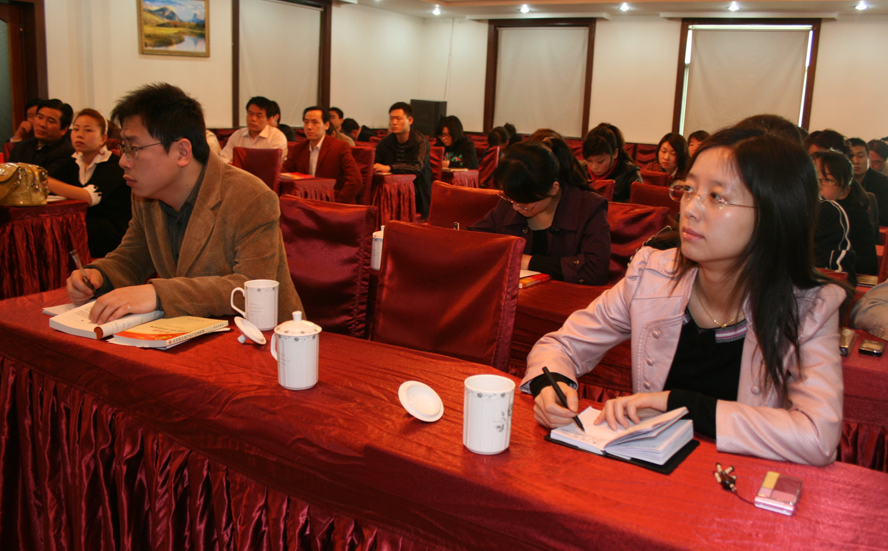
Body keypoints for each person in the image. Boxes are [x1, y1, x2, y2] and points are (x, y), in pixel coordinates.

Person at [525, 126, 846, 466]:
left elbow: (817, 435)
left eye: (717, 197)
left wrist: (679, 404)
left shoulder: (809, 306)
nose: (691, 208)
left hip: (738, 481)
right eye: (689, 189)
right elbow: (561, 346)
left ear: (773, 215)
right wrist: (552, 383)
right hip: (652, 474)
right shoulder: (653, 273)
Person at [65, 83, 302, 325]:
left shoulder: (250, 196)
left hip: (262, 335)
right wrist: (99, 275)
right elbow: (134, 254)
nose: (123, 161)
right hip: (188, 328)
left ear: (182, 152)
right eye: (123, 148)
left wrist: (160, 295)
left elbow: (252, 287)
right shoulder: (146, 196)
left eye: (134, 148)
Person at [469, 141, 610, 286]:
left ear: (553, 189)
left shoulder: (588, 207)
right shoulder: (510, 202)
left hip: (567, 296)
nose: (516, 207)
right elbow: (472, 239)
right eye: (511, 199)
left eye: (525, 203)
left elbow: (595, 269)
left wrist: (526, 261)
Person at [46, 109, 132, 259]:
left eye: (88, 130)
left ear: (103, 138)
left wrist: (43, 180)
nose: (80, 135)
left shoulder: (114, 165)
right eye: (76, 129)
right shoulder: (72, 162)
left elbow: (89, 197)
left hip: (111, 232)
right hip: (85, 227)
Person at [813, 149, 878, 276]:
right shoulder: (792, 212)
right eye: (814, 177)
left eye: (828, 180)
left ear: (844, 192)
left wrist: (839, 257)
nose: (818, 186)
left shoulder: (855, 217)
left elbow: (869, 265)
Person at [282, 106, 363, 204]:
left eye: (315, 122)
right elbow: (284, 171)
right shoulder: (300, 148)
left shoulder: (339, 147)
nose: (309, 127)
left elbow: (355, 180)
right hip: (305, 201)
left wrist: (337, 203)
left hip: (333, 201)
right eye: (306, 122)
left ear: (326, 125)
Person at [374, 102, 432, 219]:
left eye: (398, 118)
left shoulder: (420, 141)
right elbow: (375, 164)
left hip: (416, 191)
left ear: (410, 120)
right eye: (391, 118)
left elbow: (417, 167)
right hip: (390, 190)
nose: (394, 122)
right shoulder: (385, 142)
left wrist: (390, 168)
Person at [8, 98, 75, 174]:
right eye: (40, 117)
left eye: (50, 121)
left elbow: (44, 179)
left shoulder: (67, 154)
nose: (42, 124)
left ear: (64, 129)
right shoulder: (22, 147)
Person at [219, 96, 288, 163]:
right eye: (250, 114)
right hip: (237, 171)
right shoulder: (237, 135)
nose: (253, 119)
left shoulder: (277, 137)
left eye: (259, 116)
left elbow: (273, 165)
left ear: (268, 120)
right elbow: (223, 159)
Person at [583, 123, 641, 203]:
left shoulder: (630, 174)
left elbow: (638, 205)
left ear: (615, 153)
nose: (594, 167)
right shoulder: (579, 170)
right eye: (589, 161)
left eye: (600, 161)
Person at [849, 137, 888, 226]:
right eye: (851, 156)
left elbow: (885, 216)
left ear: (868, 158)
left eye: (860, 156)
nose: (855, 161)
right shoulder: (838, 180)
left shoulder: (884, 182)